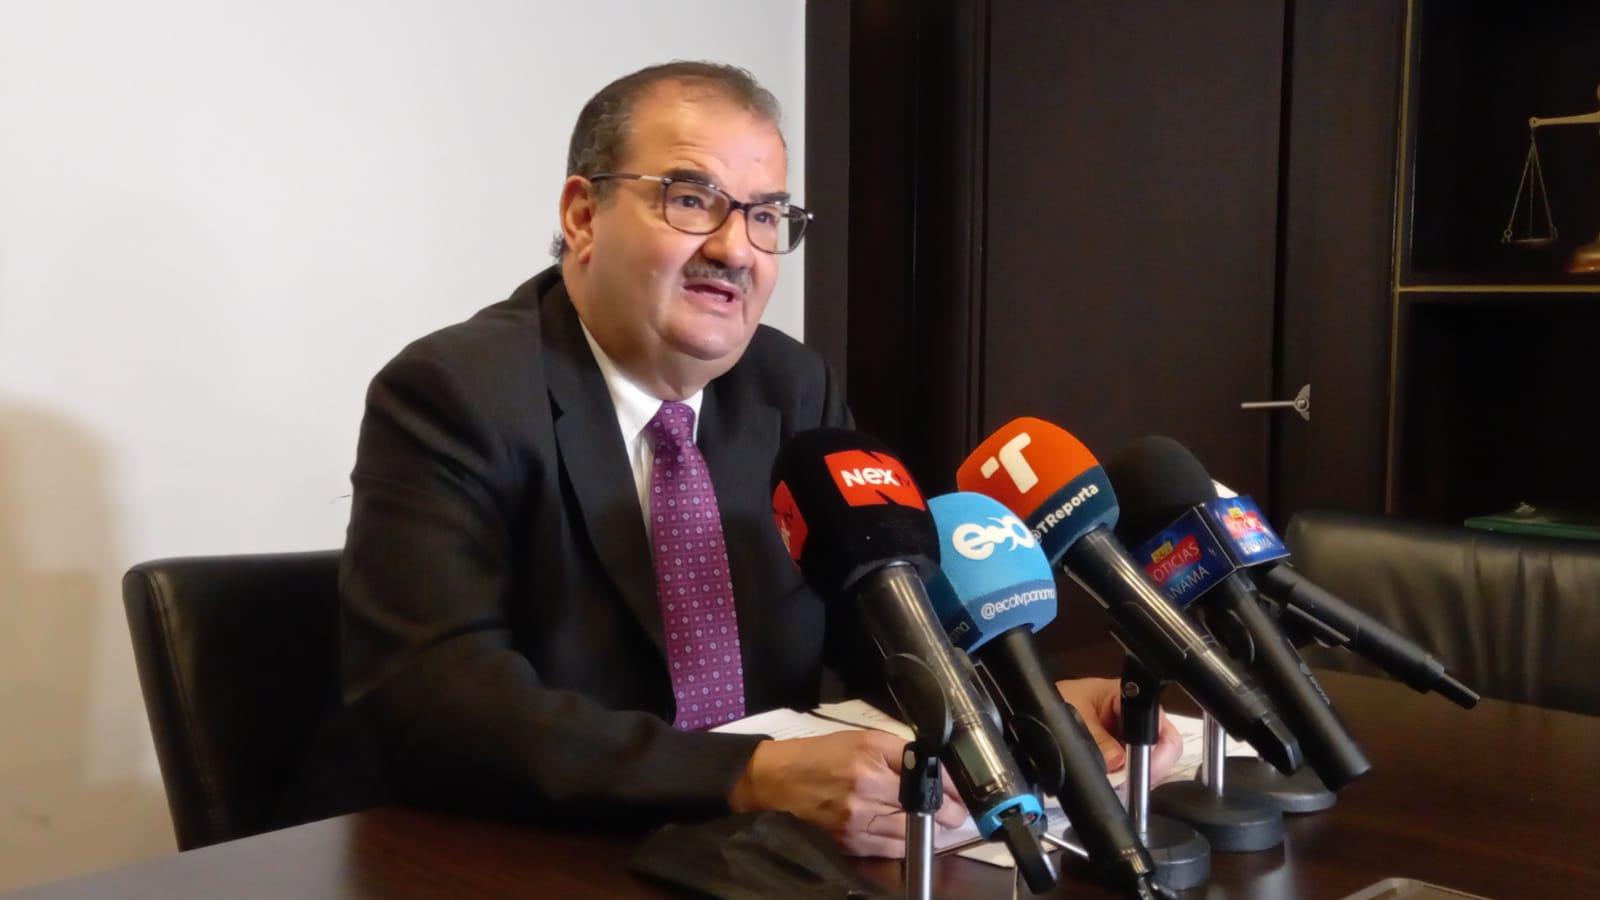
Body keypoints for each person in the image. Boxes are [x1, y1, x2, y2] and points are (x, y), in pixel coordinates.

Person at [337, 60, 1180, 859]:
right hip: (526, 857)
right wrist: (746, 775)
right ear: (583, 216)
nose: (737, 249)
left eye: (767, 216)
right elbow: (434, 702)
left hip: (774, 862)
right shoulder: (458, 392)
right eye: (691, 200)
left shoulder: (791, 386)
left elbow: (882, 632)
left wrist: (1021, 706)